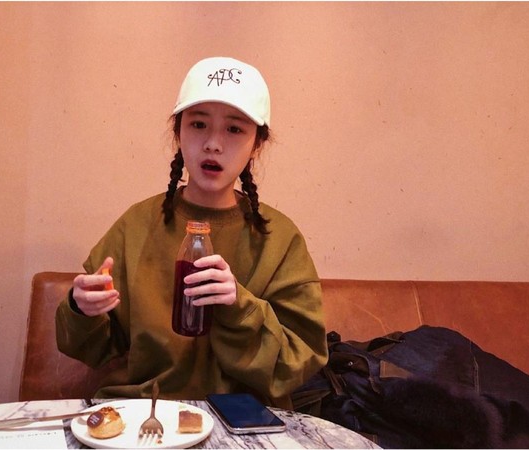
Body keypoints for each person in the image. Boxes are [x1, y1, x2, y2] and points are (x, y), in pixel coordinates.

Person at [55, 56, 328, 409]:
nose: (213, 143)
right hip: (146, 414)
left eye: (234, 129)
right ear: (178, 133)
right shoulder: (136, 225)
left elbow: (299, 361)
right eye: (198, 124)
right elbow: (94, 349)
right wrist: (81, 308)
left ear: (256, 144)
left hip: (244, 422)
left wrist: (238, 305)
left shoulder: (280, 238)